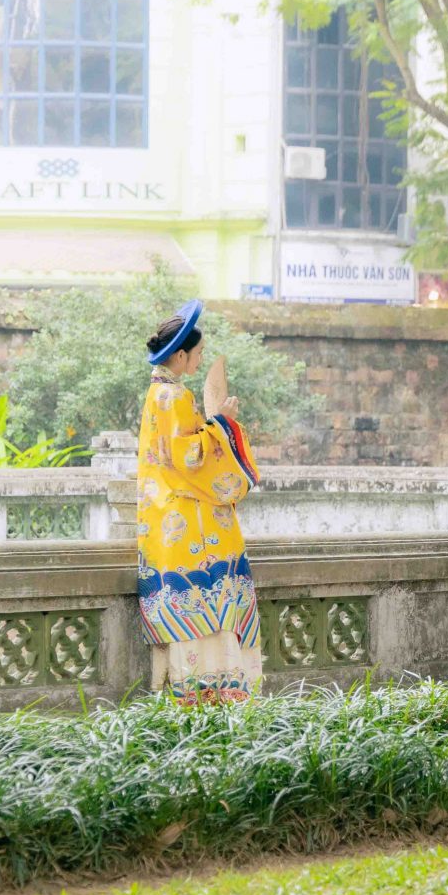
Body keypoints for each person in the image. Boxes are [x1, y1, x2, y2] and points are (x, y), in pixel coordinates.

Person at [136, 300, 264, 704]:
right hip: (188, 520)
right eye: (199, 352)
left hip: (167, 518)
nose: (201, 357)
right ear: (180, 355)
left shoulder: (159, 393)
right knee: (210, 598)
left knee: (191, 611)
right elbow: (189, 457)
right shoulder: (174, 397)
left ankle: (188, 691)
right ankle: (214, 694)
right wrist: (223, 423)